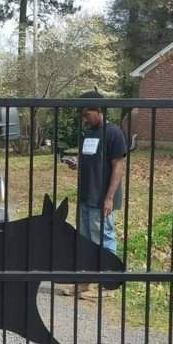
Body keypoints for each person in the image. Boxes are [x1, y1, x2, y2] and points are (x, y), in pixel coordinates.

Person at [58, 90, 127, 299]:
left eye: (86, 113)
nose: (83, 117)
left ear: (97, 110)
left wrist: (108, 198)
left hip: (102, 198)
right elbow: (91, 159)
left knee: (104, 239)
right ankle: (86, 283)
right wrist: (76, 163)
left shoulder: (113, 133)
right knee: (87, 241)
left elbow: (118, 166)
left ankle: (108, 286)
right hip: (86, 197)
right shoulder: (88, 133)